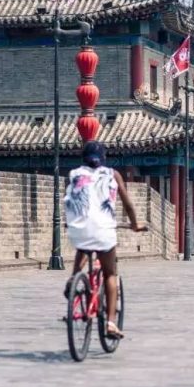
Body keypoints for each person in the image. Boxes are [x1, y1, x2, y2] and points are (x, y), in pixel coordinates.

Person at [64, 142, 146, 339]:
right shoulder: (112, 174)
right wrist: (135, 224)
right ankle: (110, 323)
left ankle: (73, 279)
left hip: (77, 227)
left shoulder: (74, 174)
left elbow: (72, 199)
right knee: (110, 274)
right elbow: (127, 204)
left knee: (84, 245)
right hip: (103, 230)